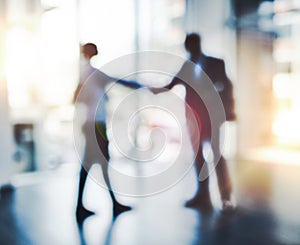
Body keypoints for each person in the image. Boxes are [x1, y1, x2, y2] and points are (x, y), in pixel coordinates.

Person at [153, 33, 236, 211]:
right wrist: (154, 89)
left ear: (197, 44)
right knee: (199, 159)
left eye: (191, 45)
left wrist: (228, 109)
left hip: (213, 117)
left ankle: (226, 198)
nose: (189, 49)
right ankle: (202, 196)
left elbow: (227, 86)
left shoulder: (216, 63)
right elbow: (171, 85)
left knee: (217, 156)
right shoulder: (186, 66)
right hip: (194, 120)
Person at [74, 43, 141, 223]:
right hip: (97, 125)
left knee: (95, 164)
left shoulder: (84, 73)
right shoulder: (93, 73)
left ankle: (100, 204)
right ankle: (100, 205)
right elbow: (118, 81)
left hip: (90, 123)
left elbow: (75, 97)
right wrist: (141, 85)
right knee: (96, 164)